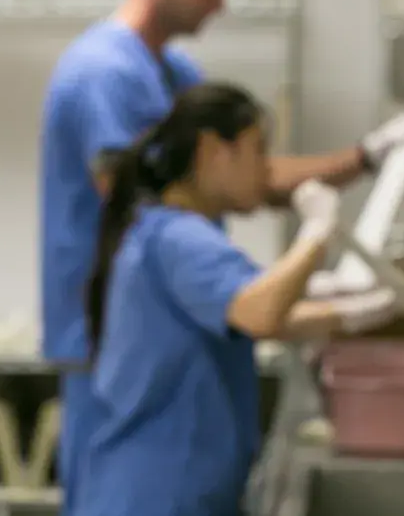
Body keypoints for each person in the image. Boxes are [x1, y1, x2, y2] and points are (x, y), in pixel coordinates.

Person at [39, 0, 404, 514]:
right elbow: (207, 202)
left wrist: (364, 159)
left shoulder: (172, 71)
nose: (220, 5)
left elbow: (248, 178)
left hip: (188, 336)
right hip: (116, 343)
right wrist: (315, 238)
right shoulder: (104, 77)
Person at [74, 82, 377, 516]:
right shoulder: (180, 238)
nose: (267, 171)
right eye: (258, 151)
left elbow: (259, 311)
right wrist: (316, 234)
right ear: (214, 150)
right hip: (157, 497)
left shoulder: (174, 232)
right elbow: (261, 314)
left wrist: (352, 314)